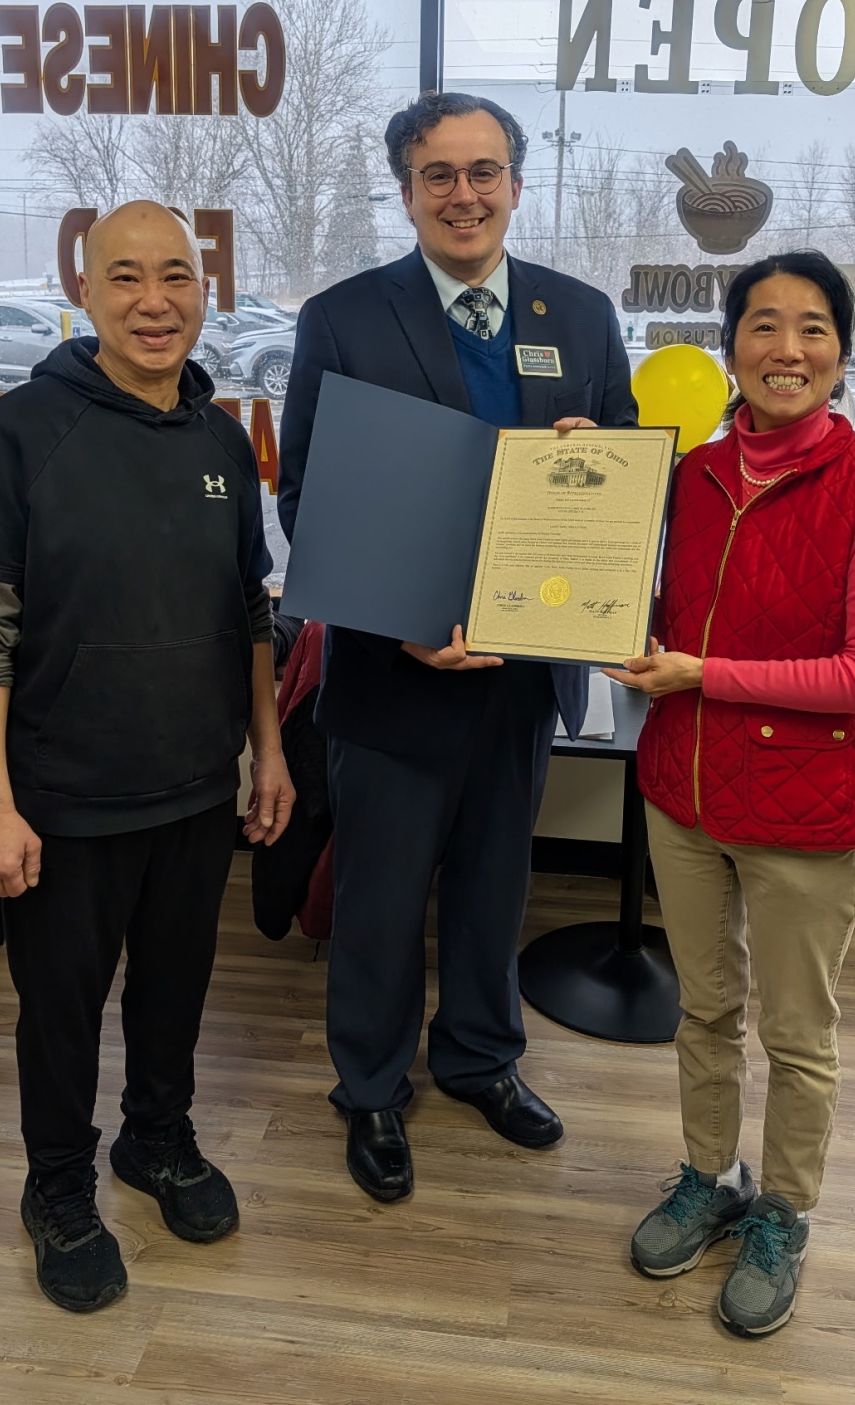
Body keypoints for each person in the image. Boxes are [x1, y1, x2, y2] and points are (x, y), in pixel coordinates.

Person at [0, 200, 295, 1314]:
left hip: (192, 787)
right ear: (83, 291)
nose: (154, 301)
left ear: (203, 290)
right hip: (63, 795)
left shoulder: (222, 438)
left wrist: (266, 750)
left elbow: (248, 608)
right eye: (126, 277)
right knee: (60, 1008)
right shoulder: (21, 430)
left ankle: (159, 1138)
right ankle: (56, 1186)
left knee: (175, 991)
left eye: (175, 276)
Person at [277, 92, 637, 1202]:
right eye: (438, 174)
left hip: (524, 670)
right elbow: (305, 497)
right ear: (406, 191)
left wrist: (599, 461)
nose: (463, 193)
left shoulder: (576, 314)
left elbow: (628, 469)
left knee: (493, 881)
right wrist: (402, 624)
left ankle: (482, 1057)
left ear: (516, 185)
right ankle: (372, 1089)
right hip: (397, 673)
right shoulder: (341, 317)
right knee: (381, 896)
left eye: (483, 171)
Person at [606, 250, 855, 1337]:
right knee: (704, 1007)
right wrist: (572, 481)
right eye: (759, 325)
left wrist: (703, 672)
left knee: (797, 1032)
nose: (783, 349)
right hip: (683, 794)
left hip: (806, 810)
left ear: (840, 353)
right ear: (730, 344)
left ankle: (783, 1209)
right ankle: (709, 1174)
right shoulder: (689, 476)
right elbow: (634, 583)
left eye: (809, 329)